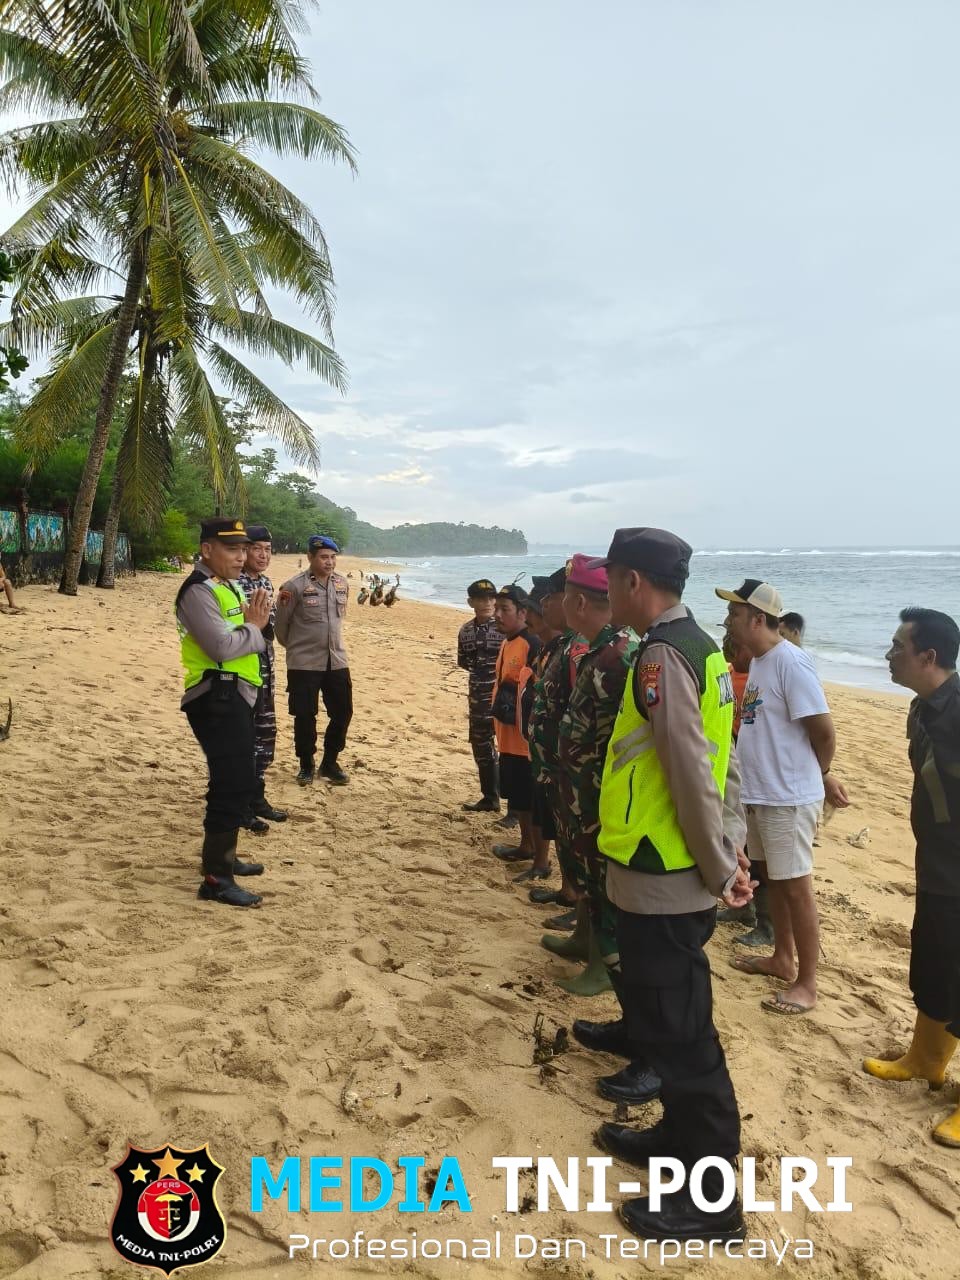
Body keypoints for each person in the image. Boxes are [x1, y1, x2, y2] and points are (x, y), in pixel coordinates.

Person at [587, 528, 753, 1242]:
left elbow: (689, 765)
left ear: (631, 582)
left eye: (614, 578)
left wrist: (720, 866)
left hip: (666, 870)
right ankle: (677, 1146)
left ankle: (712, 1205)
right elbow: (724, 759)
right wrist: (733, 847)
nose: (612, 591)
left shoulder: (659, 655)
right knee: (665, 1023)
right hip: (670, 865)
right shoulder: (703, 649)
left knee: (683, 1038)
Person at [719, 579, 849, 1014]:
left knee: (797, 889)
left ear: (759, 618)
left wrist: (822, 775)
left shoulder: (792, 663)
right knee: (773, 881)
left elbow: (824, 733)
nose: (728, 620)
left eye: (735, 614)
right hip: (762, 793)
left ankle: (808, 983)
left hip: (788, 797)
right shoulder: (758, 661)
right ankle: (781, 958)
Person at [863, 607, 960, 1148]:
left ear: (928, 656)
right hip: (939, 864)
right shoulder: (922, 709)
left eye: (898, 644)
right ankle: (925, 1059)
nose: (889, 653)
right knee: (935, 960)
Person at [175, 518, 272, 908]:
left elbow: (244, 635)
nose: (241, 556)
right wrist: (255, 629)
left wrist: (253, 628)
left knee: (234, 779)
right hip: (215, 695)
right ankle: (216, 878)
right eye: (232, 549)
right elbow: (219, 647)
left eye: (243, 549)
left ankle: (224, 859)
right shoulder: (198, 591)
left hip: (235, 695)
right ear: (207, 550)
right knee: (233, 781)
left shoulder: (224, 585)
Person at [556, 554, 637, 1004]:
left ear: (581, 603)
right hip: (578, 790)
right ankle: (585, 944)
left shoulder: (615, 655)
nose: (563, 606)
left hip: (597, 794)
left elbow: (615, 744)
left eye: (567, 598)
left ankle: (602, 966)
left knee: (602, 881)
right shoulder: (597, 649)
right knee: (586, 875)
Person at [275, 535, 353, 786]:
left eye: (332, 557)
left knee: (343, 712)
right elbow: (281, 626)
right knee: (305, 715)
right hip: (303, 663)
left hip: (336, 660)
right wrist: (297, 648)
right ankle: (306, 765)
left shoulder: (342, 583)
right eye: (323, 557)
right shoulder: (293, 586)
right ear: (310, 557)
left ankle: (329, 762)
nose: (329, 562)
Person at [716, 633, 774, 946]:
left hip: (755, 771)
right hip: (736, 763)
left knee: (760, 856)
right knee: (744, 845)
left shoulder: (758, 680)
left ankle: (766, 923)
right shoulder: (728, 676)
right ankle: (745, 909)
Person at [238, 526, 287, 829]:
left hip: (265, 672)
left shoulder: (266, 582)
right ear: (243, 551)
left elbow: (269, 629)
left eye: (268, 549)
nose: (263, 555)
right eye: (257, 548)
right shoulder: (234, 584)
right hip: (243, 673)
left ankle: (256, 797)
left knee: (265, 737)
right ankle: (240, 804)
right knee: (243, 740)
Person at [489, 585, 540, 861]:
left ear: (523, 612)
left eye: (504, 609)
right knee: (518, 798)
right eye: (496, 609)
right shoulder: (508, 642)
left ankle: (532, 848)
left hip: (524, 741)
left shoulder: (531, 643)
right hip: (506, 735)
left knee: (528, 798)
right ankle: (525, 844)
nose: (497, 615)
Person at [457, 579, 503, 812]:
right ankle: (490, 798)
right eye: (480, 599)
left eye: (490, 598)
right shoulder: (465, 631)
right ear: (470, 602)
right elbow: (465, 662)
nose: (486, 603)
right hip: (477, 699)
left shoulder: (507, 628)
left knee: (510, 751)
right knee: (481, 747)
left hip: (504, 700)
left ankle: (515, 808)